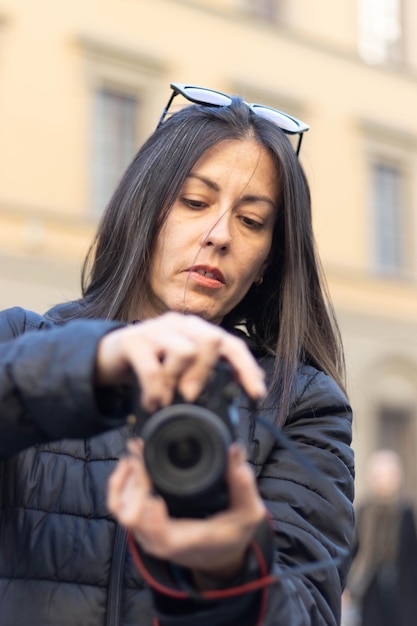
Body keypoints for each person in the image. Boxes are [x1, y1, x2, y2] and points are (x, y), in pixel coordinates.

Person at [0, 82, 354, 625]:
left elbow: (307, 612)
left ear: (267, 262)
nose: (218, 235)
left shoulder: (301, 403)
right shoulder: (23, 343)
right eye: (195, 201)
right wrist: (88, 368)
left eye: (252, 221)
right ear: (145, 207)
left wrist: (227, 573)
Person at [344, 449, 417, 626]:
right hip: (370, 586)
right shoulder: (364, 511)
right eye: (379, 476)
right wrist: (345, 585)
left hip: (402, 589)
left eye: (388, 476)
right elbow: (354, 549)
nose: (383, 482)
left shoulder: (406, 512)